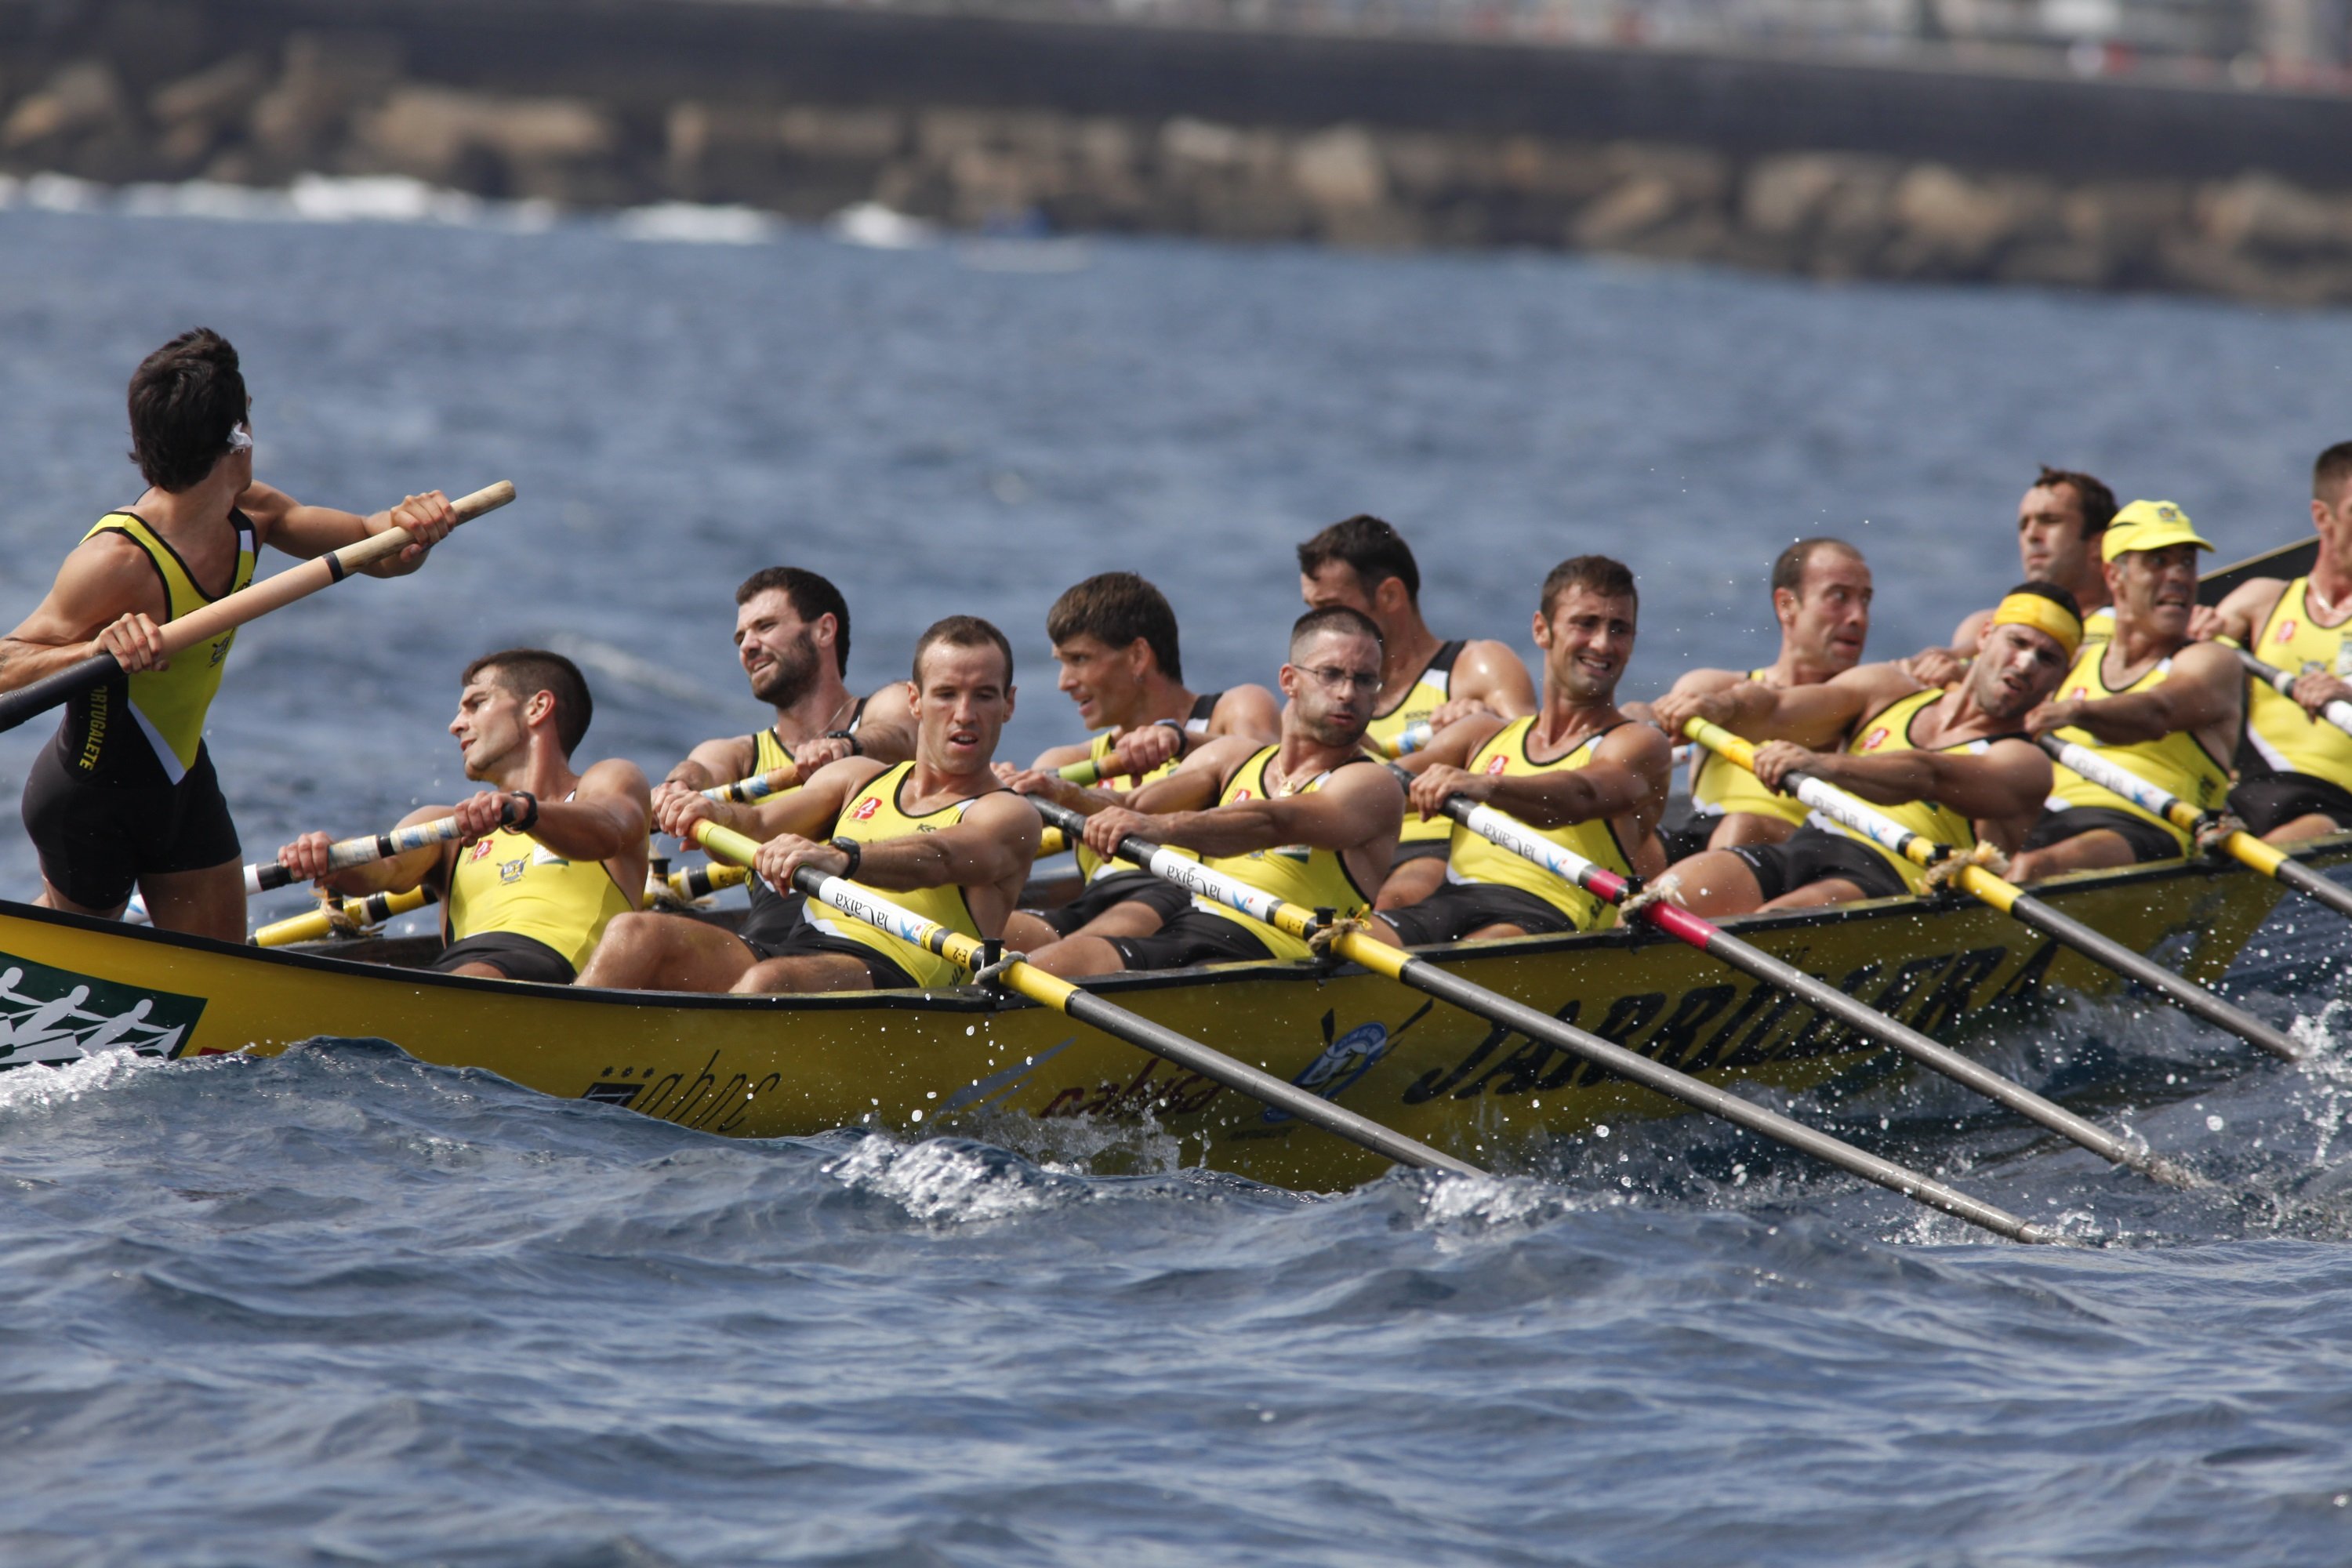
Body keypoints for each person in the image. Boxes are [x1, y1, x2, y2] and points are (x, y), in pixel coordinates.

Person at [3, 327, 456, 940]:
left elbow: (374, 549)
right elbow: (7, 666)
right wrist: (95, 650)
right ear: (238, 440)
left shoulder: (255, 514)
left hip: (184, 786)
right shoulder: (117, 562)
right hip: (90, 803)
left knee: (221, 974)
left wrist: (410, 530)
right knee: (70, 987)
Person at [586, 616, 1036, 995]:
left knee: (769, 982)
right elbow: (758, 823)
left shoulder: (1008, 814)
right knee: (636, 934)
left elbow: (938, 858)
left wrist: (840, 857)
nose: (964, 714)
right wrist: (708, 813)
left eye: (984, 695)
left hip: (903, 983)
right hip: (801, 948)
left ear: (1008, 704)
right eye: (946, 694)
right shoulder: (857, 777)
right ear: (915, 701)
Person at [1651, 583, 2082, 914]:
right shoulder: (1887, 690)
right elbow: (1779, 707)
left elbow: (1928, 773)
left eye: (2047, 660)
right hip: (1805, 845)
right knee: (1663, 901)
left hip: (1888, 881)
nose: (2026, 665)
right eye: (2018, 644)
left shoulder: (2025, 762)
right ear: (1986, 637)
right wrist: (1720, 705)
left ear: (2058, 680)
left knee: (1769, 924)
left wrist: (1824, 765)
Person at [1024, 607, 1403, 977]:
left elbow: (1272, 821)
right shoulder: (1232, 757)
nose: (1348, 693)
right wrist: (1062, 793)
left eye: (1365, 680)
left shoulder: (1372, 784)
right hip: (1191, 928)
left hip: (1279, 959)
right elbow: (1133, 806)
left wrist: (1163, 828)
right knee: (1062, 961)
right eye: (1331, 674)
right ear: (1289, 680)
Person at [275, 650, 650, 982]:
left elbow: (612, 828)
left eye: (476, 704)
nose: (455, 725)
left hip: (566, 977)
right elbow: (385, 871)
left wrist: (524, 810)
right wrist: (331, 859)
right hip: (464, 969)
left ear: (537, 708)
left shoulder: (604, 782)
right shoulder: (448, 828)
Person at [1367, 555, 1671, 946]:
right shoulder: (1480, 734)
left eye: (1619, 629)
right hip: (1452, 901)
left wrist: (1486, 786)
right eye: (1586, 624)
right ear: (1542, 631)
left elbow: (1578, 796)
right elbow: (1377, 790)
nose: (1603, 643)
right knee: (1362, 938)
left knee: (1474, 952)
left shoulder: (1639, 744)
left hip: (1548, 920)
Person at [648, 567, 914, 957]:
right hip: (775, 934)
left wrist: (845, 744)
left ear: (824, 630)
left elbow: (900, 735)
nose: (747, 646)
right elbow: (699, 771)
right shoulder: (739, 754)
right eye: (740, 637)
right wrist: (676, 790)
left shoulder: (887, 706)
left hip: (881, 922)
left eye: (765, 627)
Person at [1000, 572, 1279, 946]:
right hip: (1093, 906)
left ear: (1138, 656)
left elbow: (1275, 780)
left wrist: (1179, 739)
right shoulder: (1065, 760)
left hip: (1187, 905)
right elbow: (1006, 851)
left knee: (1061, 960)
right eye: (1061, 663)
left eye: (1079, 659)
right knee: (978, 935)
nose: (1063, 682)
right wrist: (987, 794)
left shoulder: (1235, 709)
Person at [1294, 514, 1535, 908]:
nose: (1318, 629)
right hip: (1347, 844)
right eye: (1312, 611)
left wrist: (1490, 728)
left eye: (1332, 609)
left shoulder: (1476, 667)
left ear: (1390, 595)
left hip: (1436, 848)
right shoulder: (1323, 686)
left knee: (1385, 904)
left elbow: (1538, 758)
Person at [2010, 503, 2241, 880]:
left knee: (2033, 868)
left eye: (2187, 562)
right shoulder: (2079, 660)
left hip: (2156, 830)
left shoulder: (2211, 662)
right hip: (2054, 818)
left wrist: (2076, 713)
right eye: (2159, 562)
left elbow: (2157, 712)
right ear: (2114, 576)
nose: (2178, 576)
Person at [1644, 538, 1872, 860]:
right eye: (1840, 598)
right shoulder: (1711, 685)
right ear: (1786, 605)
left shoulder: (1868, 704)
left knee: (1744, 827)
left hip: (1804, 860)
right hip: (1707, 843)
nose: (1858, 617)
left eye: (1865, 601)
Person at [2200, 441, 2352, 842]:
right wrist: (2194, 632)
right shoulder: (2262, 600)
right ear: (2323, 516)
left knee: (2293, 832)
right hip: (2254, 793)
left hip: (2337, 809)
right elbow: (2178, 661)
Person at [1908, 466, 2121, 681]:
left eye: (2049, 520)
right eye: (2024, 524)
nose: (2031, 535)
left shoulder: (2128, 628)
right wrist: (1945, 659)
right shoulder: (1982, 626)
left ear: (2098, 545)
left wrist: (1965, 672)